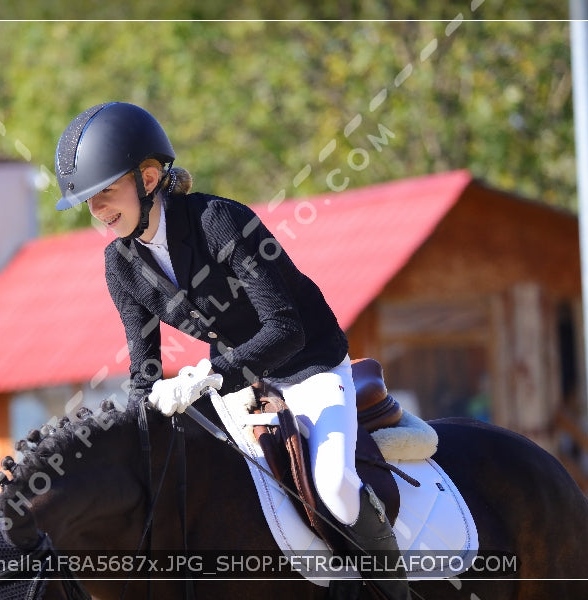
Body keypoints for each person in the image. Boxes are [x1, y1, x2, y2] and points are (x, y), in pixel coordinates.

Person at [54, 101, 410, 599]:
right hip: (244, 385)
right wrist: (133, 442)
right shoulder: (121, 265)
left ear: (150, 177)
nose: (97, 212)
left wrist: (213, 373)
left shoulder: (220, 221)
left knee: (334, 487)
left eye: (105, 193)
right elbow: (144, 370)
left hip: (309, 367)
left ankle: (392, 590)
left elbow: (285, 329)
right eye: (89, 201)